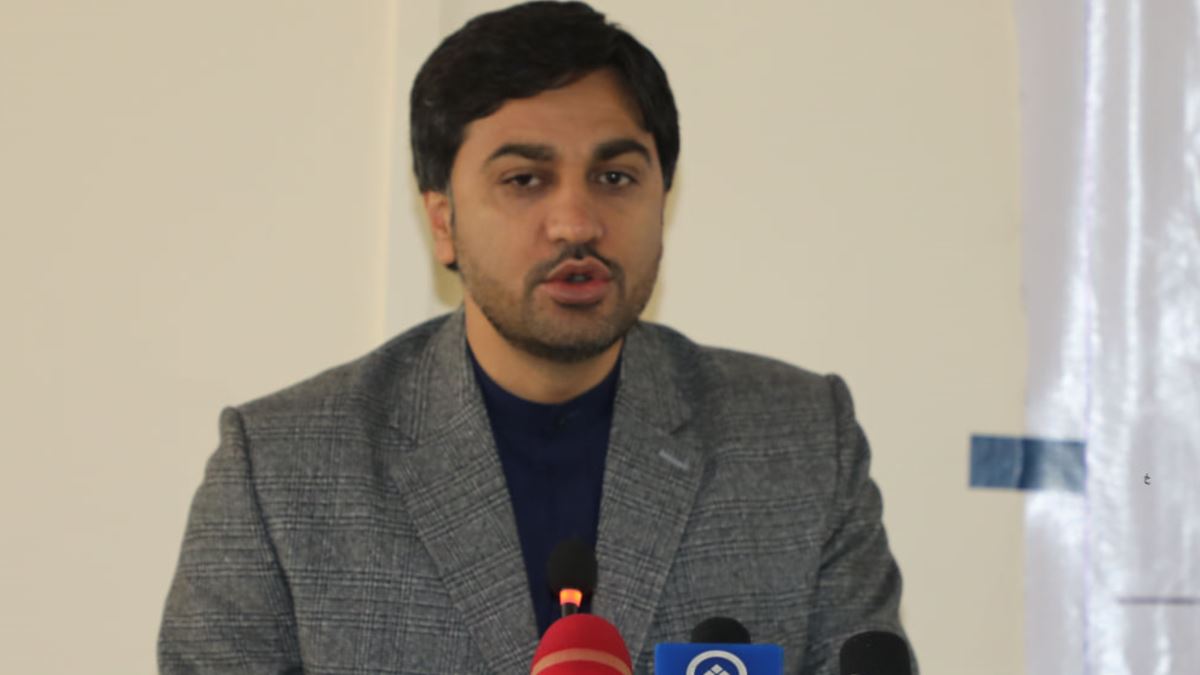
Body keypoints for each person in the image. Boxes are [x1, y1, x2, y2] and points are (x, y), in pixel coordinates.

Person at [158, 2, 915, 673]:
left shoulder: (801, 442)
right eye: (525, 179)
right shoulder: (281, 471)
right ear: (443, 221)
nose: (576, 223)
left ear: (663, 198)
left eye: (615, 178)